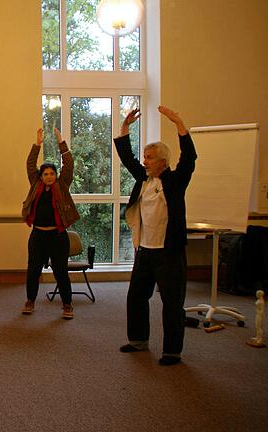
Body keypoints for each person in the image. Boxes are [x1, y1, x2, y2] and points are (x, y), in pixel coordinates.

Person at [116, 105, 197, 366]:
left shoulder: (175, 181)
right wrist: (125, 127)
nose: (144, 161)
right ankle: (138, 340)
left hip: (169, 253)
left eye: (149, 157)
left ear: (162, 161)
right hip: (146, 251)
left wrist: (179, 123)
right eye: (145, 156)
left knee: (172, 303)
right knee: (136, 296)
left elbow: (190, 158)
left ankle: (172, 351)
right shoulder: (144, 179)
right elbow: (127, 158)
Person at [21, 127, 80, 319]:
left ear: (55, 175)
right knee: (33, 271)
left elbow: (69, 165)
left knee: (61, 271)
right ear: (41, 176)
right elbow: (30, 164)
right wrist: (37, 143)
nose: (48, 177)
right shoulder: (35, 184)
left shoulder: (62, 186)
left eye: (51, 174)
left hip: (57, 236)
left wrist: (61, 143)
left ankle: (67, 305)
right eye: (45, 174)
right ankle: (30, 301)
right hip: (38, 235)